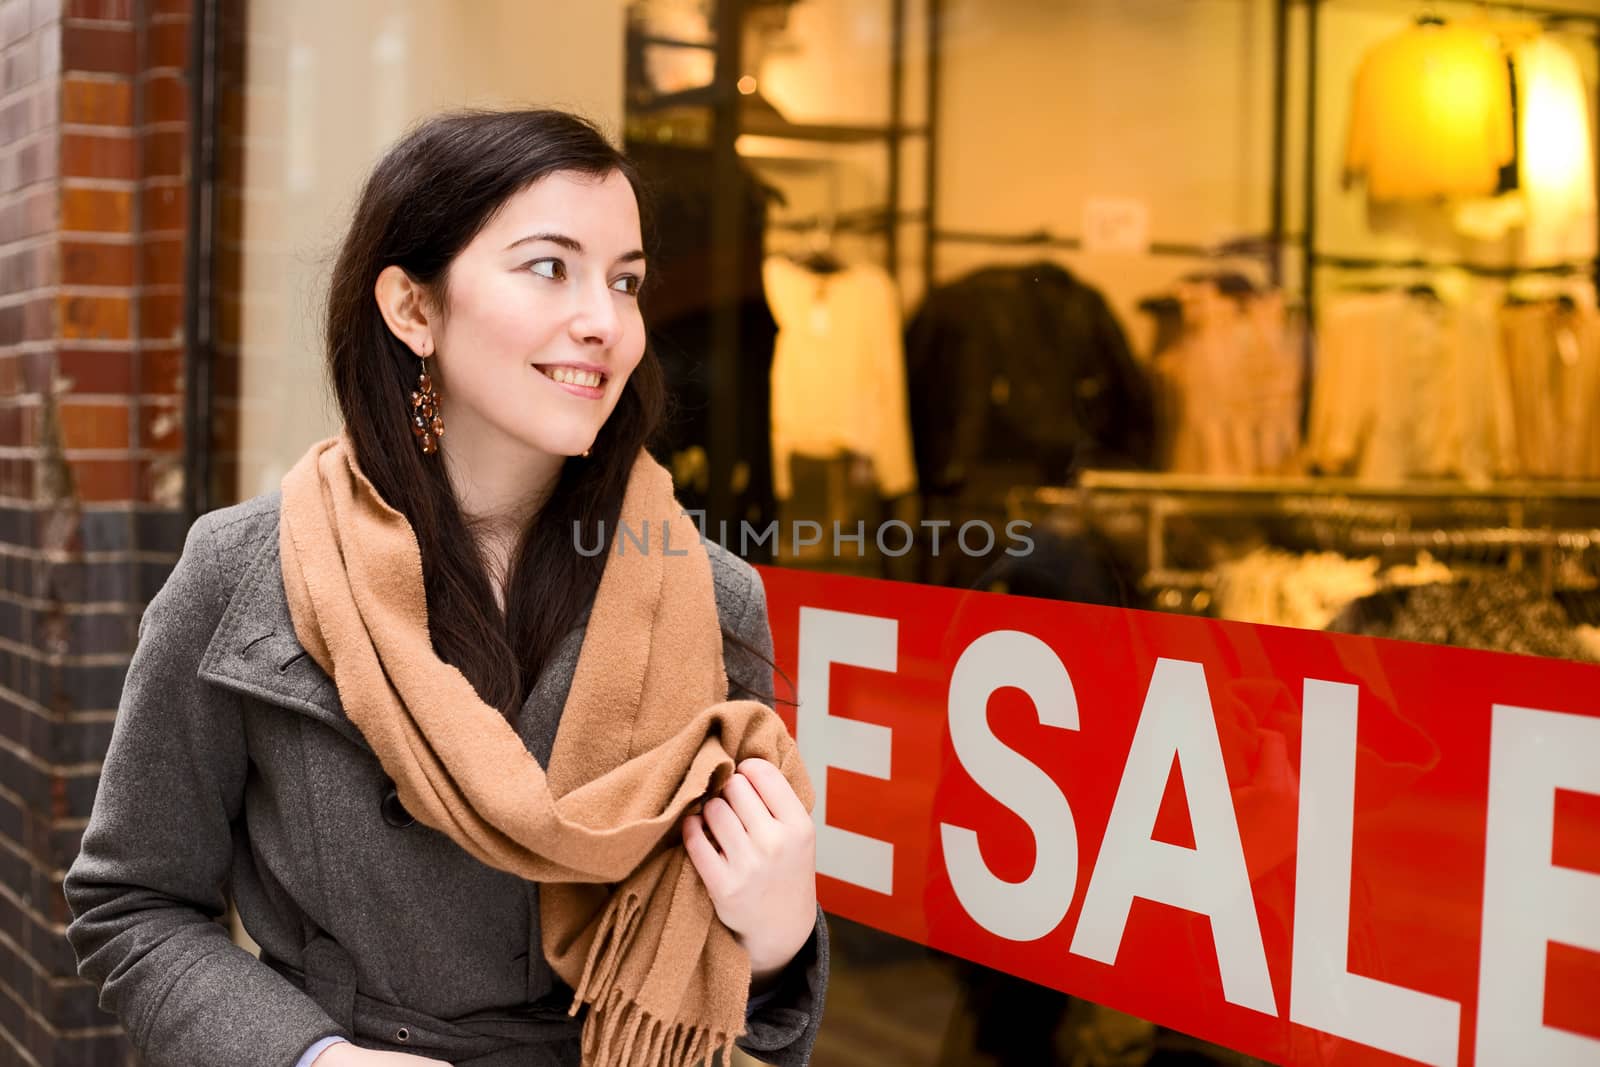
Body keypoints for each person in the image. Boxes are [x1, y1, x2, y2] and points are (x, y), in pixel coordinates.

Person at [62, 108, 828, 1067]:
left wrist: (780, 937)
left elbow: (720, 1003)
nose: (606, 320)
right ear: (412, 308)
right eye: (550, 267)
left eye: (625, 280)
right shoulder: (248, 567)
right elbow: (129, 903)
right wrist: (313, 1059)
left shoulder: (710, 596)